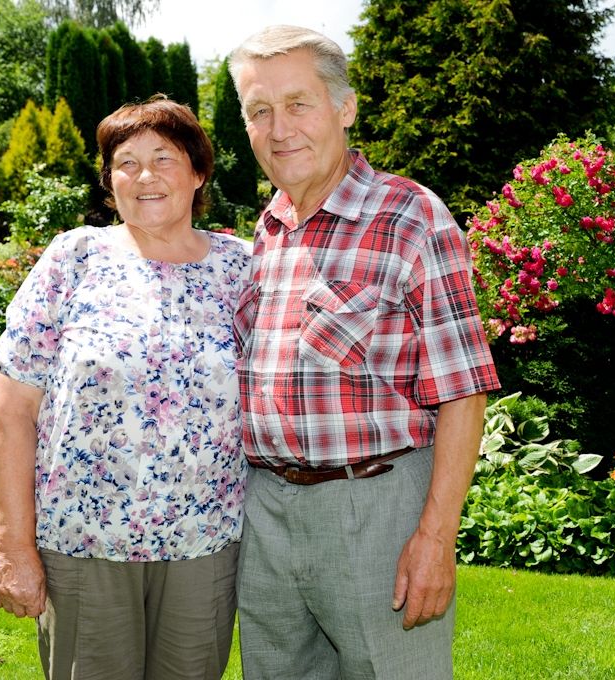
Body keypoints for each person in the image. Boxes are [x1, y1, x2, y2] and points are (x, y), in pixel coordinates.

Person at [229, 25, 500, 679]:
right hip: (265, 512)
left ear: (344, 108)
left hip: (375, 509)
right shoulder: (269, 228)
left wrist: (436, 537)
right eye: (259, 111)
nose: (279, 128)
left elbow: (463, 389)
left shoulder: (412, 217)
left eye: (299, 104)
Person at [0, 96, 250, 680]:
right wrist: (14, 549)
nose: (145, 175)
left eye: (164, 157)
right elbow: (10, 416)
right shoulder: (73, 258)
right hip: (83, 545)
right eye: (126, 162)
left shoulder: (243, 270)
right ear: (109, 180)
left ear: (199, 171)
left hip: (203, 547)